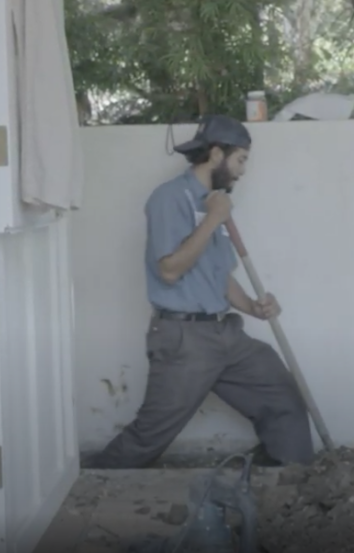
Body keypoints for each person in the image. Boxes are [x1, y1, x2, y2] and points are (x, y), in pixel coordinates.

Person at [85, 114, 315, 469]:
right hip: (184, 339)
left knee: (280, 393)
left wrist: (255, 307)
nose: (242, 171)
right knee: (150, 434)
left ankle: (286, 478)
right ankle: (94, 482)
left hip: (225, 333)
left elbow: (218, 276)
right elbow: (170, 270)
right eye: (240, 160)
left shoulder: (214, 201)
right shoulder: (169, 199)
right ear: (217, 154)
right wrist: (212, 219)